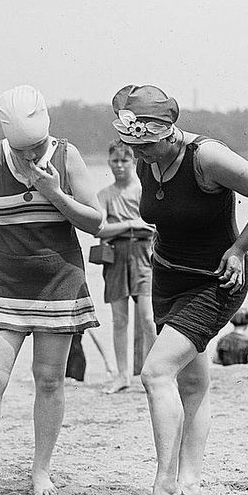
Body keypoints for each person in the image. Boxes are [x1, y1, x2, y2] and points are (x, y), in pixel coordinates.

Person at [110, 84, 248, 495]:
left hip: (215, 281)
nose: (141, 155)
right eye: (134, 146)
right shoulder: (147, 156)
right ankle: (190, 481)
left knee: (155, 372)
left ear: (169, 132)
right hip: (167, 277)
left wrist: (240, 248)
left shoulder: (206, 157)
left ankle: (165, 484)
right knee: (191, 382)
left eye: (147, 145)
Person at [0, 85, 103, 495]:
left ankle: (40, 470)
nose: (30, 157)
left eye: (36, 147)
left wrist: (54, 192)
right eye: (23, 149)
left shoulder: (68, 157)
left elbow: (96, 222)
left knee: (49, 381)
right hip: (5, 284)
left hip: (59, 282)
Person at [95, 140, 157, 393]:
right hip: (115, 255)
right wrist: (131, 225)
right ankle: (122, 375)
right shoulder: (105, 195)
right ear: (109, 162)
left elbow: (155, 225)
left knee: (148, 318)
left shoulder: (144, 191)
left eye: (124, 160)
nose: (119, 166)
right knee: (119, 319)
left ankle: (153, 372)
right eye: (115, 161)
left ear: (133, 161)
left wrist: (139, 227)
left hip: (145, 255)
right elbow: (100, 229)